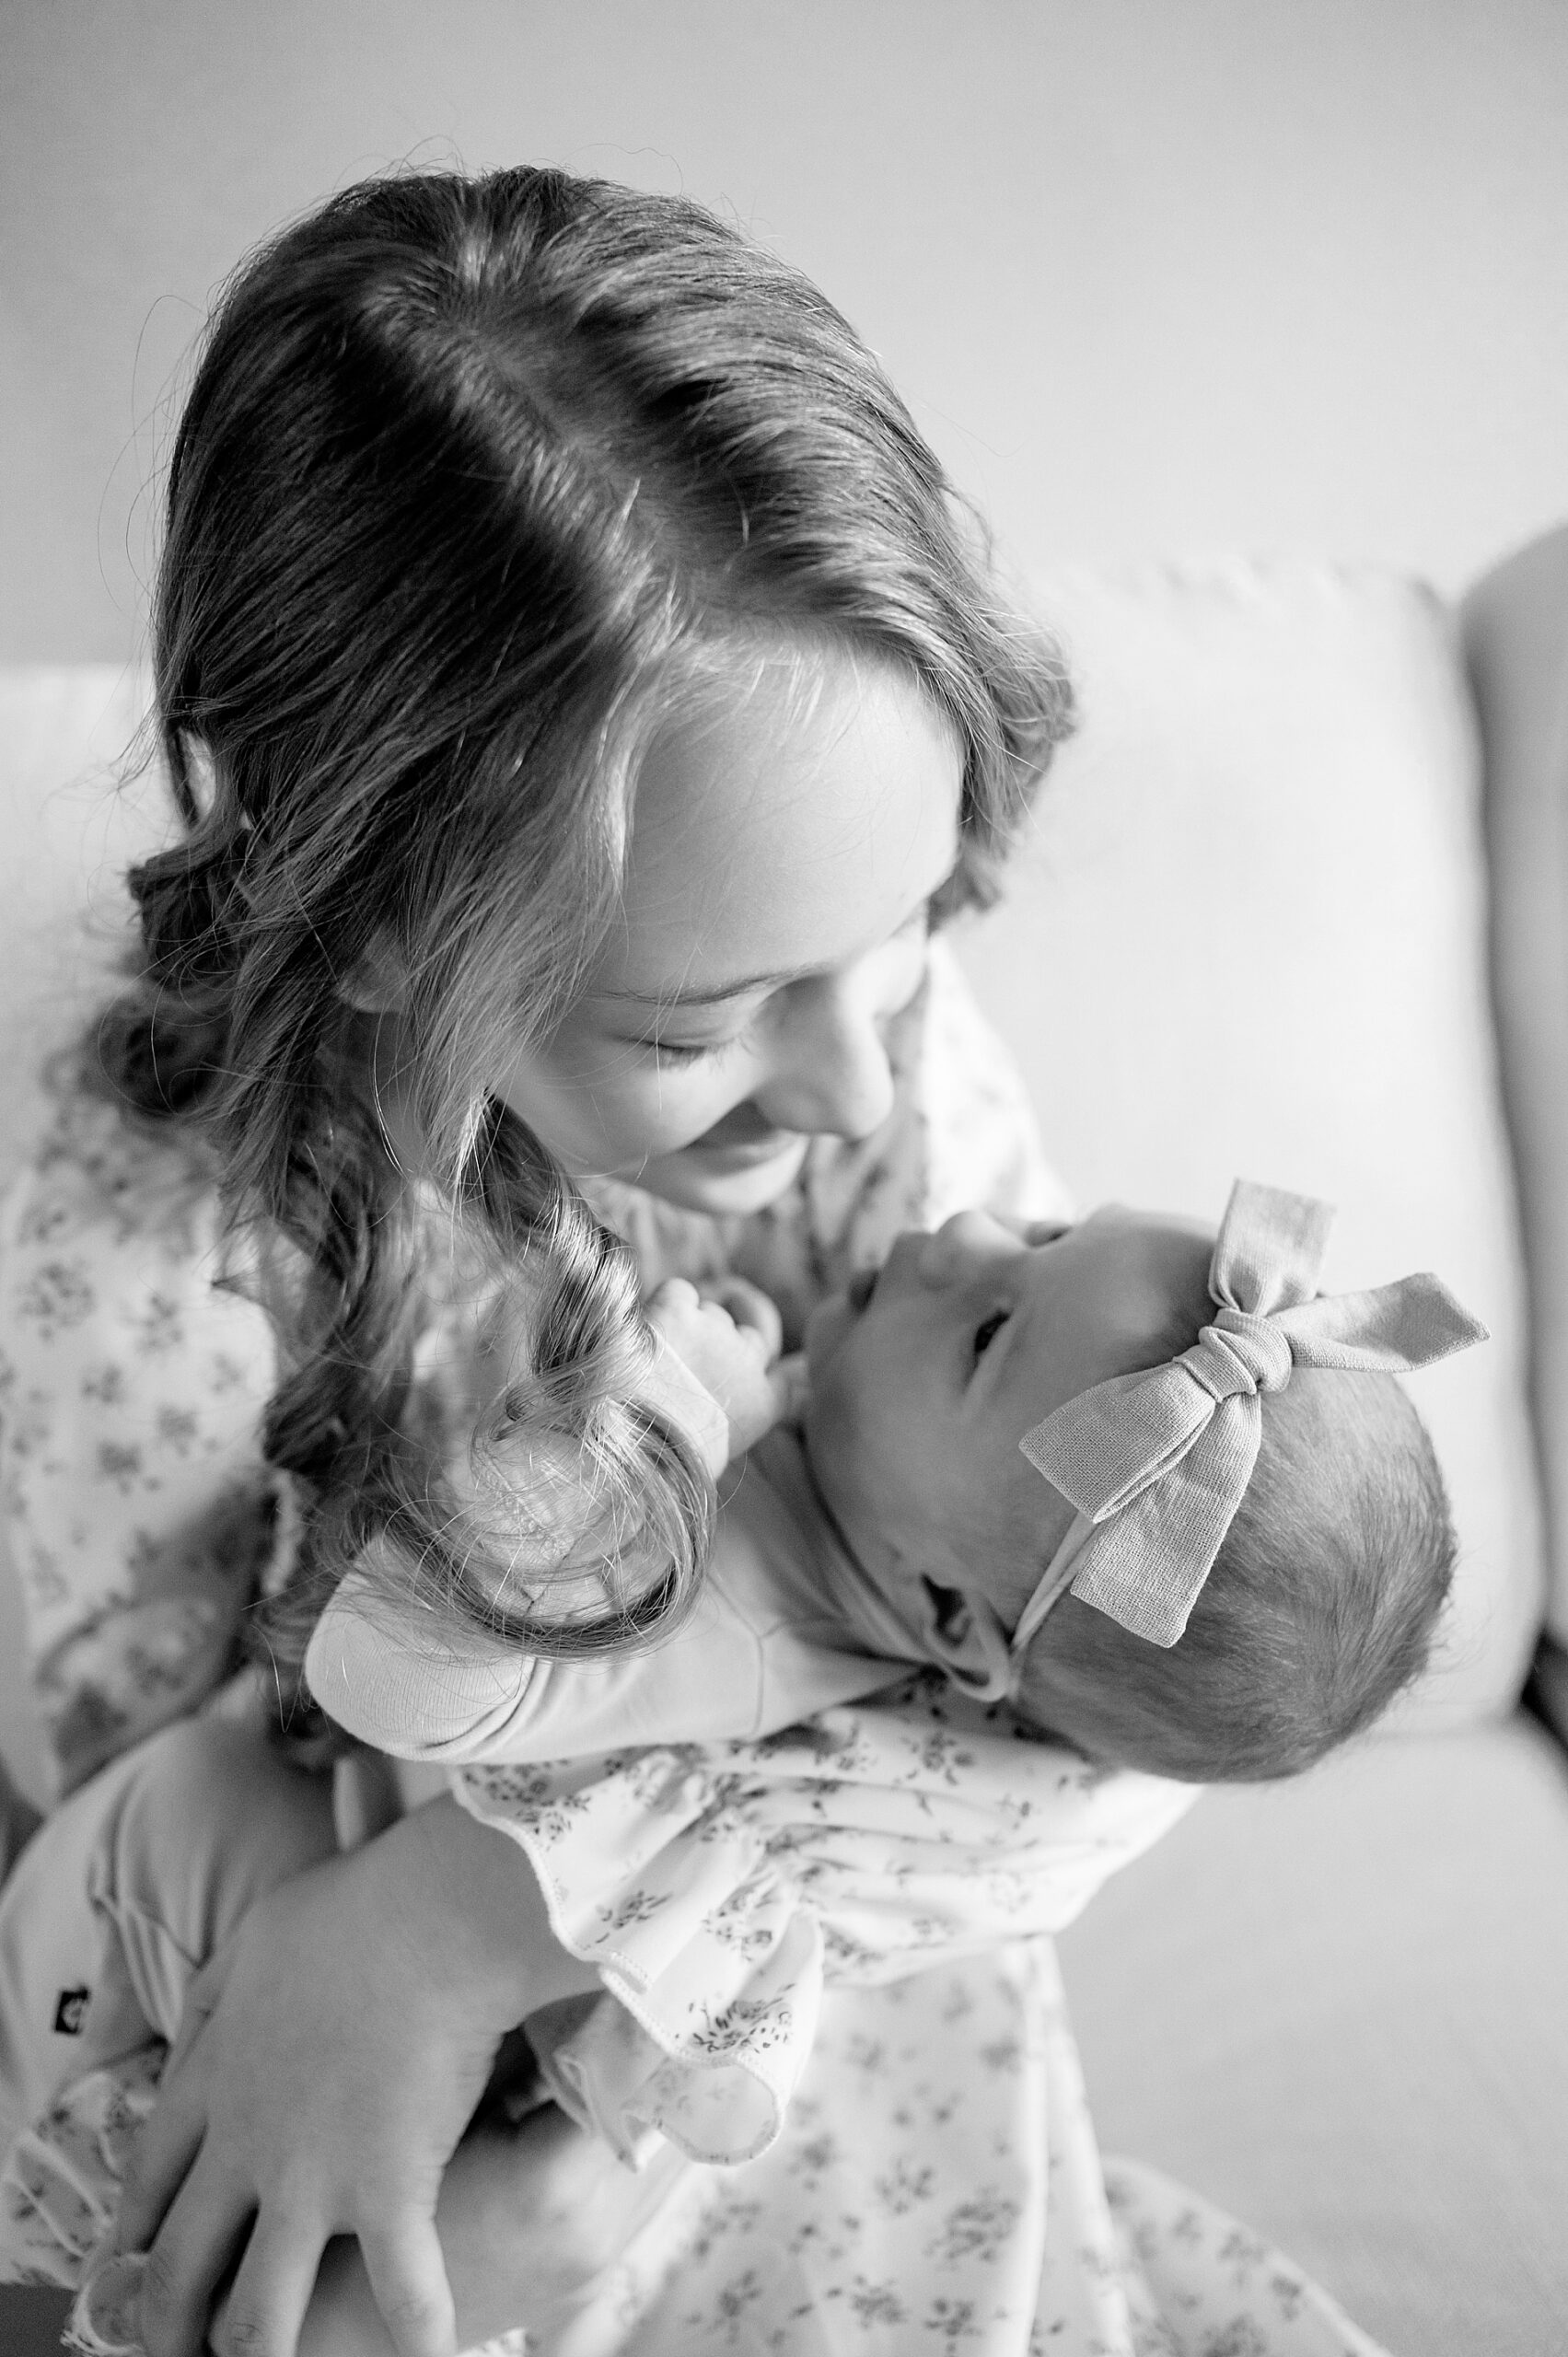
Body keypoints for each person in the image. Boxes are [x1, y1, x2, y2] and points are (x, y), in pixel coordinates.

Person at [0, 162, 1079, 2357]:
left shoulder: (874, 1050)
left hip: (828, 2118)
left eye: (903, 936)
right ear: (381, 924)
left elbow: (1124, 1690)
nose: (855, 1089)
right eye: (699, 1026)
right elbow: (124, 1911)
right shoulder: (144, 1280)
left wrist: (470, 1913)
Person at [0, 1182, 1476, 2355]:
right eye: (1042, 1232)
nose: (964, 1228)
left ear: (949, 1618)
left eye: (986, 1332)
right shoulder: (853, 1513)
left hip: (191, 1973)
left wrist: (649, 1425)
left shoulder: (731, 1621)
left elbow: (383, 1674)